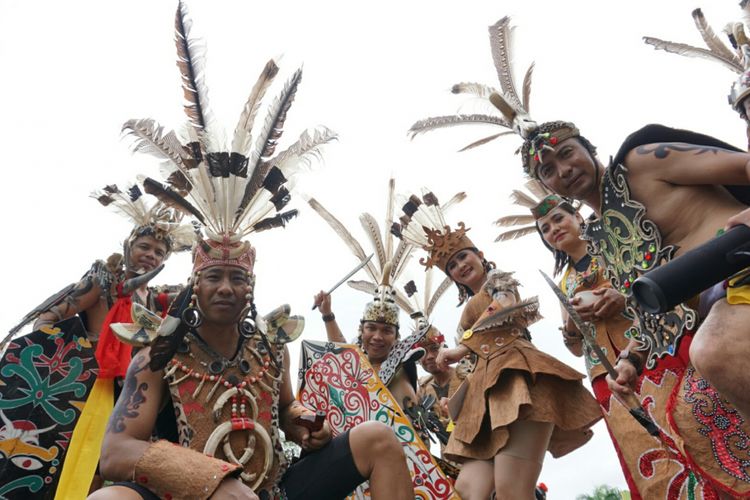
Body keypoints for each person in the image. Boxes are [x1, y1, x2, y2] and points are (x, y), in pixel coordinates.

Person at [411, 15, 750, 496]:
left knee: (712, 354)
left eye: (567, 153)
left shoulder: (642, 161)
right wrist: (632, 358)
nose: (563, 170)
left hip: (740, 272)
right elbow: (657, 304)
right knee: (692, 422)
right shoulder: (604, 238)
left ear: (588, 147)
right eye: (548, 169)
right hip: (696, 321)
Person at [392, 189, 601, 500]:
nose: (460, 266)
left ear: (479, 254)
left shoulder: (499, 281)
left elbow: (503, 307)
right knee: (467, 493)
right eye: (452, 266)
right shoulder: (466, 311)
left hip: (518, 382)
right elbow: (468, 367)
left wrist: (461, 347)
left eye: (463, 256)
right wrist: (454, 399)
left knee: (512, 493)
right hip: (481, 403)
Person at [0, 182, 193, 499]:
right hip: (86, 387)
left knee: (108, 468)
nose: (150, 255)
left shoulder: (158, 301)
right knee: (70, 462)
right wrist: (74, 361)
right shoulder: (103, 280)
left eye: (159, 252)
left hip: (130, 393)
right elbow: (46, 319)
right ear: (129, 246)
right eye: (145, 246)